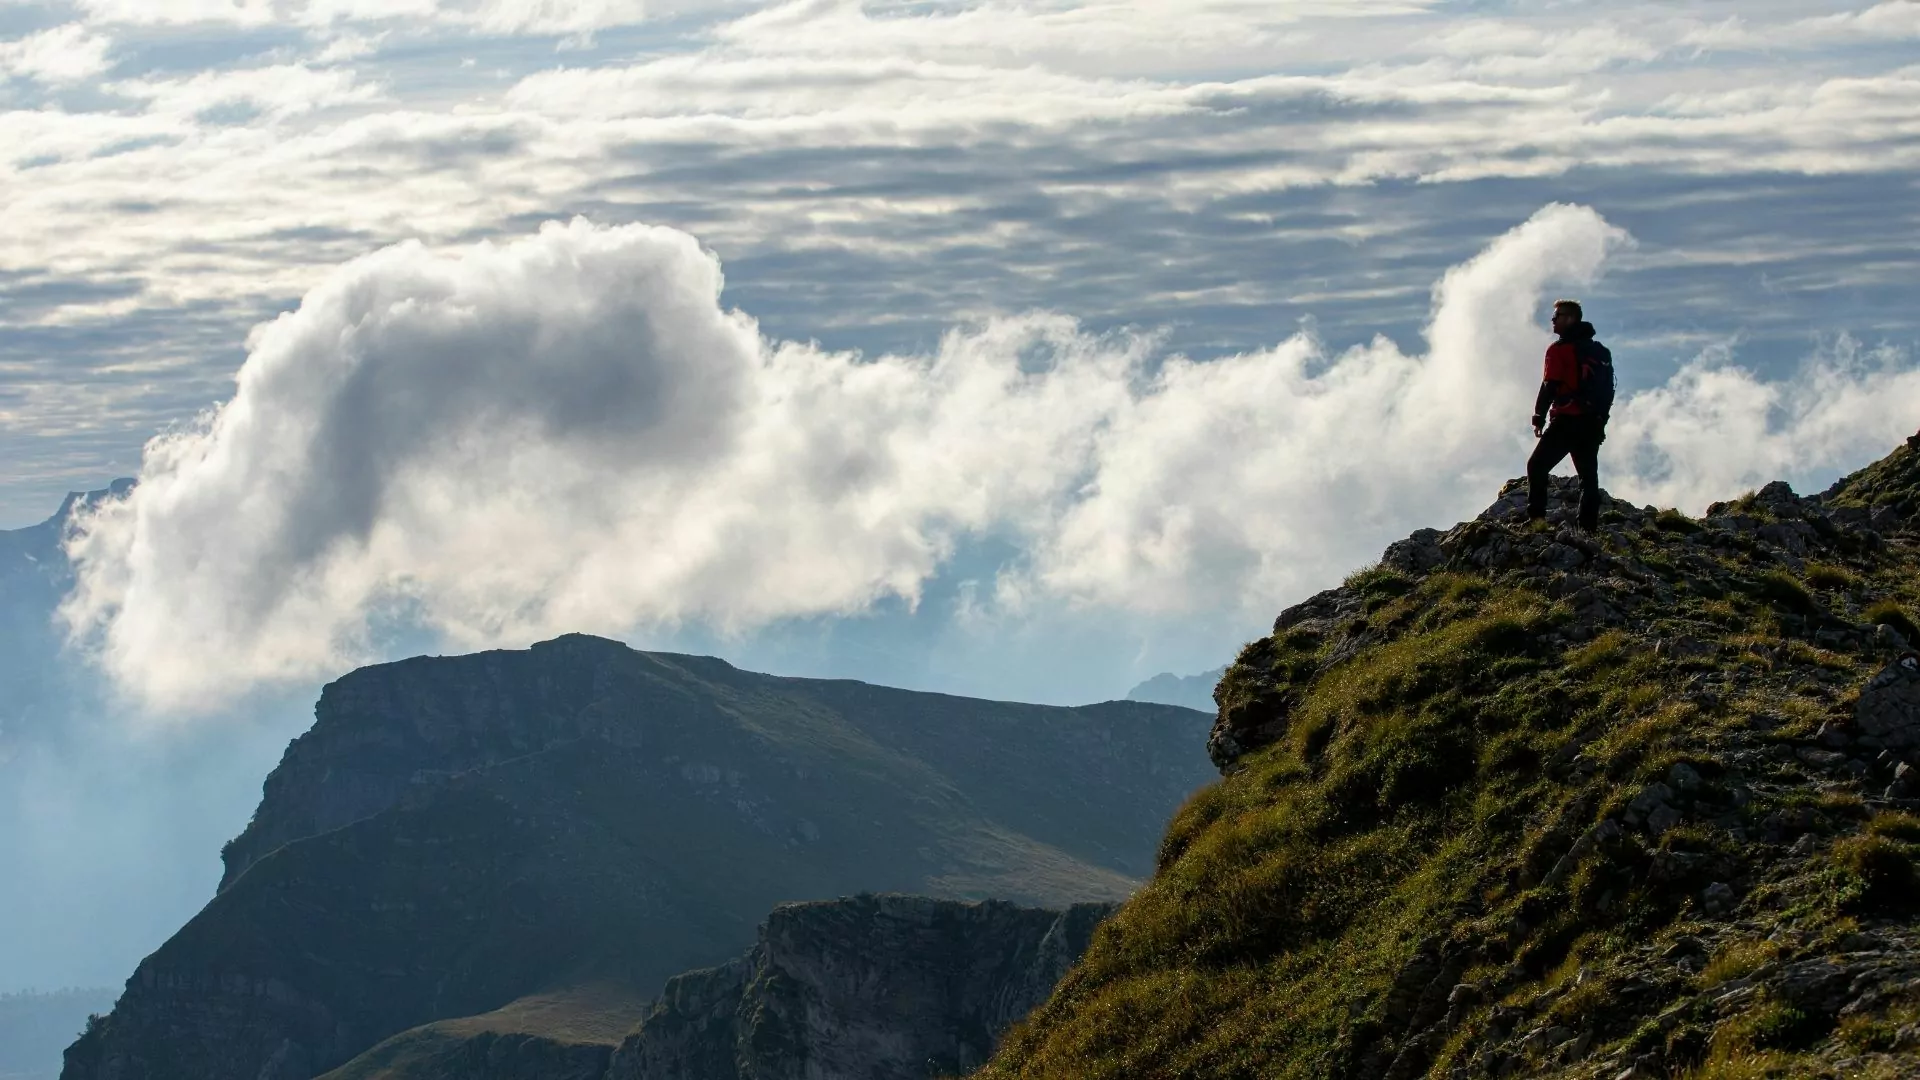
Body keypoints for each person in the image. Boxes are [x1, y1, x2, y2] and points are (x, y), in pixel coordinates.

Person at [1527, 299, 1612, 532]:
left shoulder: (1559, 350)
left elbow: (1550, 386)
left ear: (1571, 318)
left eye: (1558, 316)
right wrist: (1600, 421)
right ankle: (1587, 530)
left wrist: (1538, 416)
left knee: (1536, 466)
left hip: (1567, 420)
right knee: (1588, 478)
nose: (1553, 321)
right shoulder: (1600, 351)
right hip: (1592, 423)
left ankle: (1536, 522)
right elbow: (1607, 390)